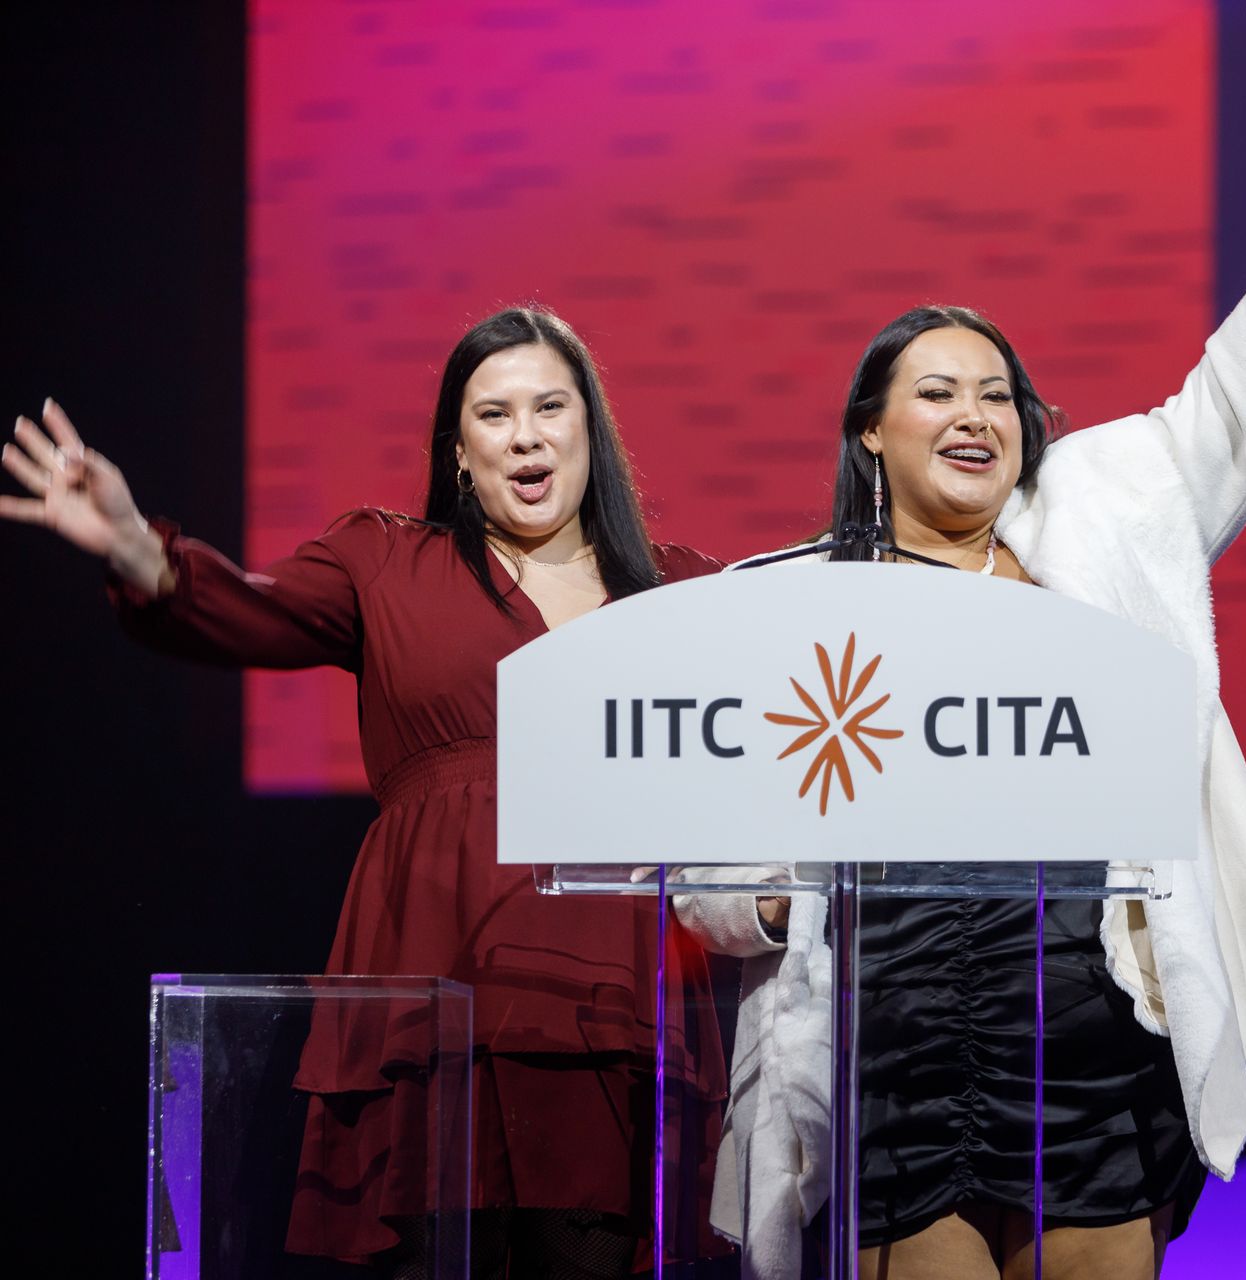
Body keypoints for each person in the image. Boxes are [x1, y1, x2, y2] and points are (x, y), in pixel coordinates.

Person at [677, 89, 1246, 1280]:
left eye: (997, 392)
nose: (976, 413)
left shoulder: (1101, 516)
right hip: (896, 1031)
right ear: (871, 431)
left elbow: (1229, 405)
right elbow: (704, 867)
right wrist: (776, 899)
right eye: (939, 391)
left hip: (1084, 1017)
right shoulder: (787, 599)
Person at [2, 307, 730, 1278]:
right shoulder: (385, 559)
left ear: (590, 430)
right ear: (459, 451)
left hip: (606, 992)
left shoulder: (682, 593)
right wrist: (133, 540)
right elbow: (248, 613)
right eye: (495, 412)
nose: (527, 432)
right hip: (434, 971)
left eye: (552, 405)